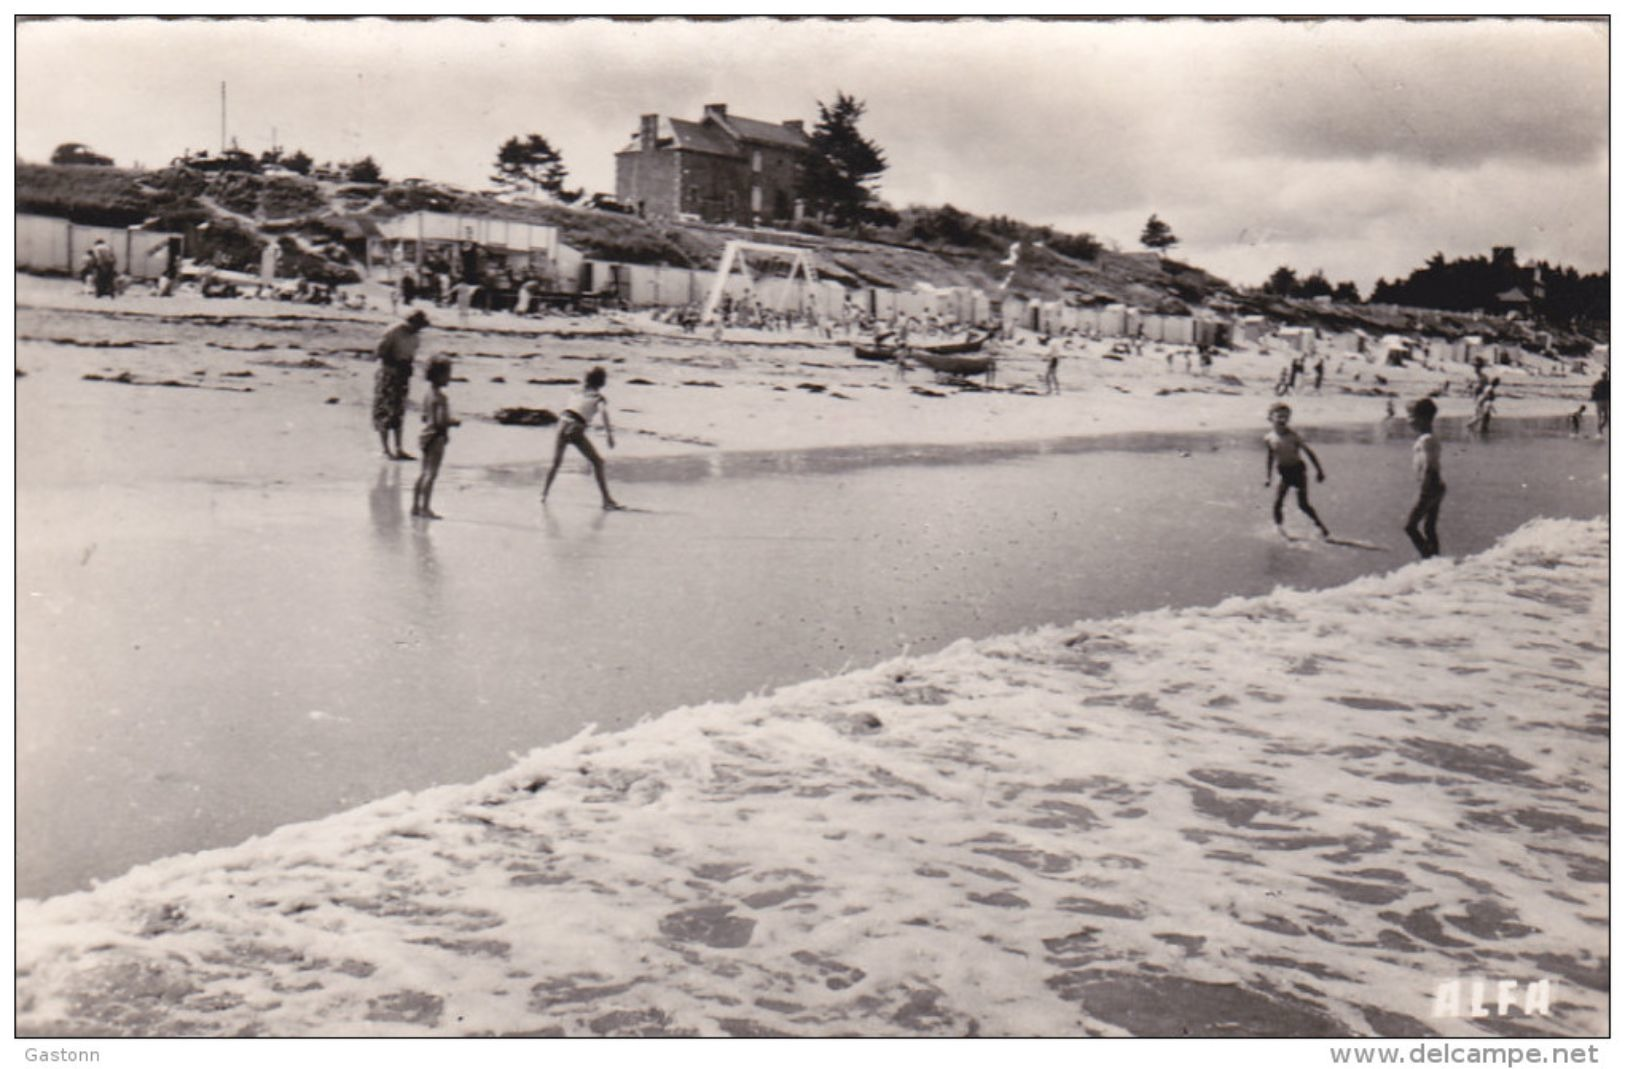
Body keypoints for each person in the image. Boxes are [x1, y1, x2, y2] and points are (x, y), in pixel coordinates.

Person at [541, 366, 622, 510]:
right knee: (598, 462)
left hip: (561, 424)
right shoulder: (598, 398)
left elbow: (572, 407)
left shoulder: (575, 391)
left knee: (556, 463)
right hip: (575, 428)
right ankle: (606, 500)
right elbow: (604, 413)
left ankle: (543, 495)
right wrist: (609, 435)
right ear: (601, 382)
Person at [1263, 402, 1330, 539]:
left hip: (1298, 471)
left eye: (1286, 417)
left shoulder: (1293, 436)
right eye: (1279, 417)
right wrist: (1268, 477)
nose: (1283, 420)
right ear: (1271, 418)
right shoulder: (1269, 438)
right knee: (1277, 503)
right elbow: (1270, 458)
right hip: (1283, 472)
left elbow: (1309, 453)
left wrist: (1319, 471)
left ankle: (1320, 527)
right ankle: (1279, 530)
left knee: (1303, 504)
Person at [372, 310, 430, 460]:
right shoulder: (394, 331)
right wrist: (392, 367)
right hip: (388, 373)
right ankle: (385, 449)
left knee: (399, 411)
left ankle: (398, 448)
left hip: (403, 373)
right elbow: (380, 352)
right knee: (384, 410)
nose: (419, 329)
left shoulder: (415, 337)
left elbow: (411, 356)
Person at [412, 358, 460, 519]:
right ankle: (425, 508)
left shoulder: (427, 395)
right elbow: (440, 422)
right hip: (436, 438)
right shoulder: (441, 398)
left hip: (425, 436)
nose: (449, 378)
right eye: (447, 374)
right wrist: (452, 422)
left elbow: (424, 417)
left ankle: (415, 506)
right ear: (439, 376)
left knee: (423, 473)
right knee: (431, 474)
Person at [1403, 397, 1446, 559]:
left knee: (1410, 526)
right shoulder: (1428, 438)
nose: (1409, 421)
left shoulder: (1426, 440)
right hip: (1436, 486)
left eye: (1412, 416)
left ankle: (1428, 558)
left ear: (1424, 418)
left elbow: (1429, 464)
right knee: (1429, 527)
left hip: (1431, 485)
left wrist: (1424, 490)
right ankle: (1435, 559)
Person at [1590, 368, 1609, 434]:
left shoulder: (1600, 382)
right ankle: (1600, 428)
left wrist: (1593, 396)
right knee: (1604, 417)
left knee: (1602, 417)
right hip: (1603, 401)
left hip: (1602, 401)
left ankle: (1600, 428)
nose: (1606, 377)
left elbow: (1592, 388)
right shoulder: (1605, 382)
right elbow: (1593, 388)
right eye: (1605, 375)